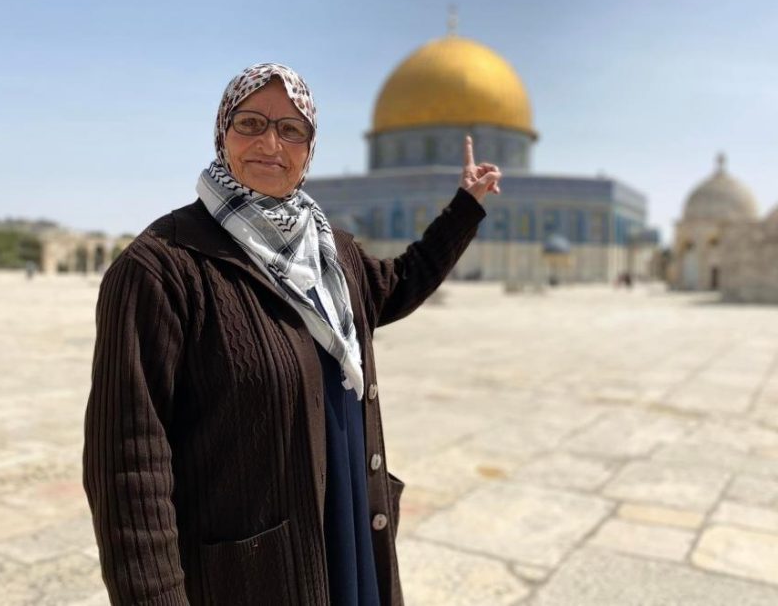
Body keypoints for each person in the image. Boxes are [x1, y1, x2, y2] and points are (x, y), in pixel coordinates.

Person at [82, 63, 501, 606]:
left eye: (291, 129)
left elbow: (399, 284)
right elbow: (129, 466)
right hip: (253, 573)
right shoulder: (163, 267)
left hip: (348, 526)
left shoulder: (329, 250)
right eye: (250, 123)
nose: (270, 144)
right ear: (222, 132)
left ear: (310, 148)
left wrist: (464, 209)